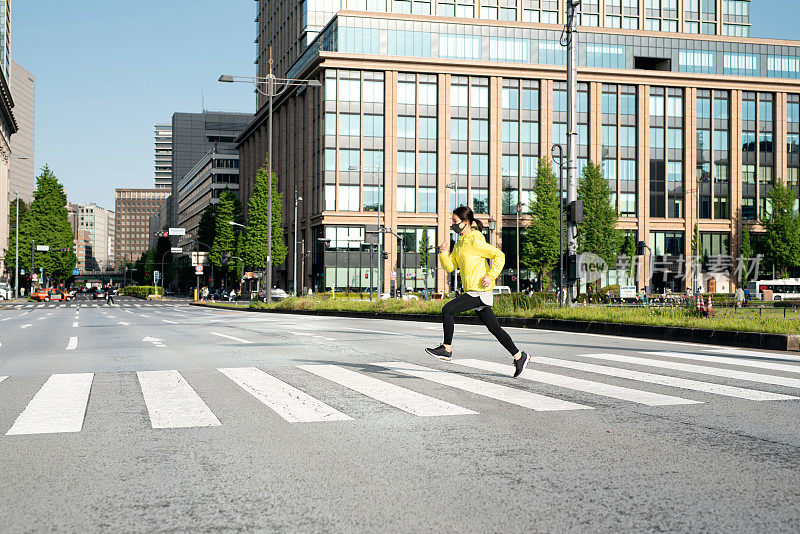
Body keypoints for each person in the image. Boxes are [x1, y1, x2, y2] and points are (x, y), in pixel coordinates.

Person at [426, 206, 530, 378]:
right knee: (495, 328)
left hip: (479, 291)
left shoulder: (476, 240)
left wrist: (490, 275)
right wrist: (443, 254)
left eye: (455, 221)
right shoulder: (459, 244)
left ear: (465, 222)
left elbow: (499, 256)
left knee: (447, 309)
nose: (453, 225)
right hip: (473, 291)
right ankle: (519, 356)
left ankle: (447, 349)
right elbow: (451, 267)